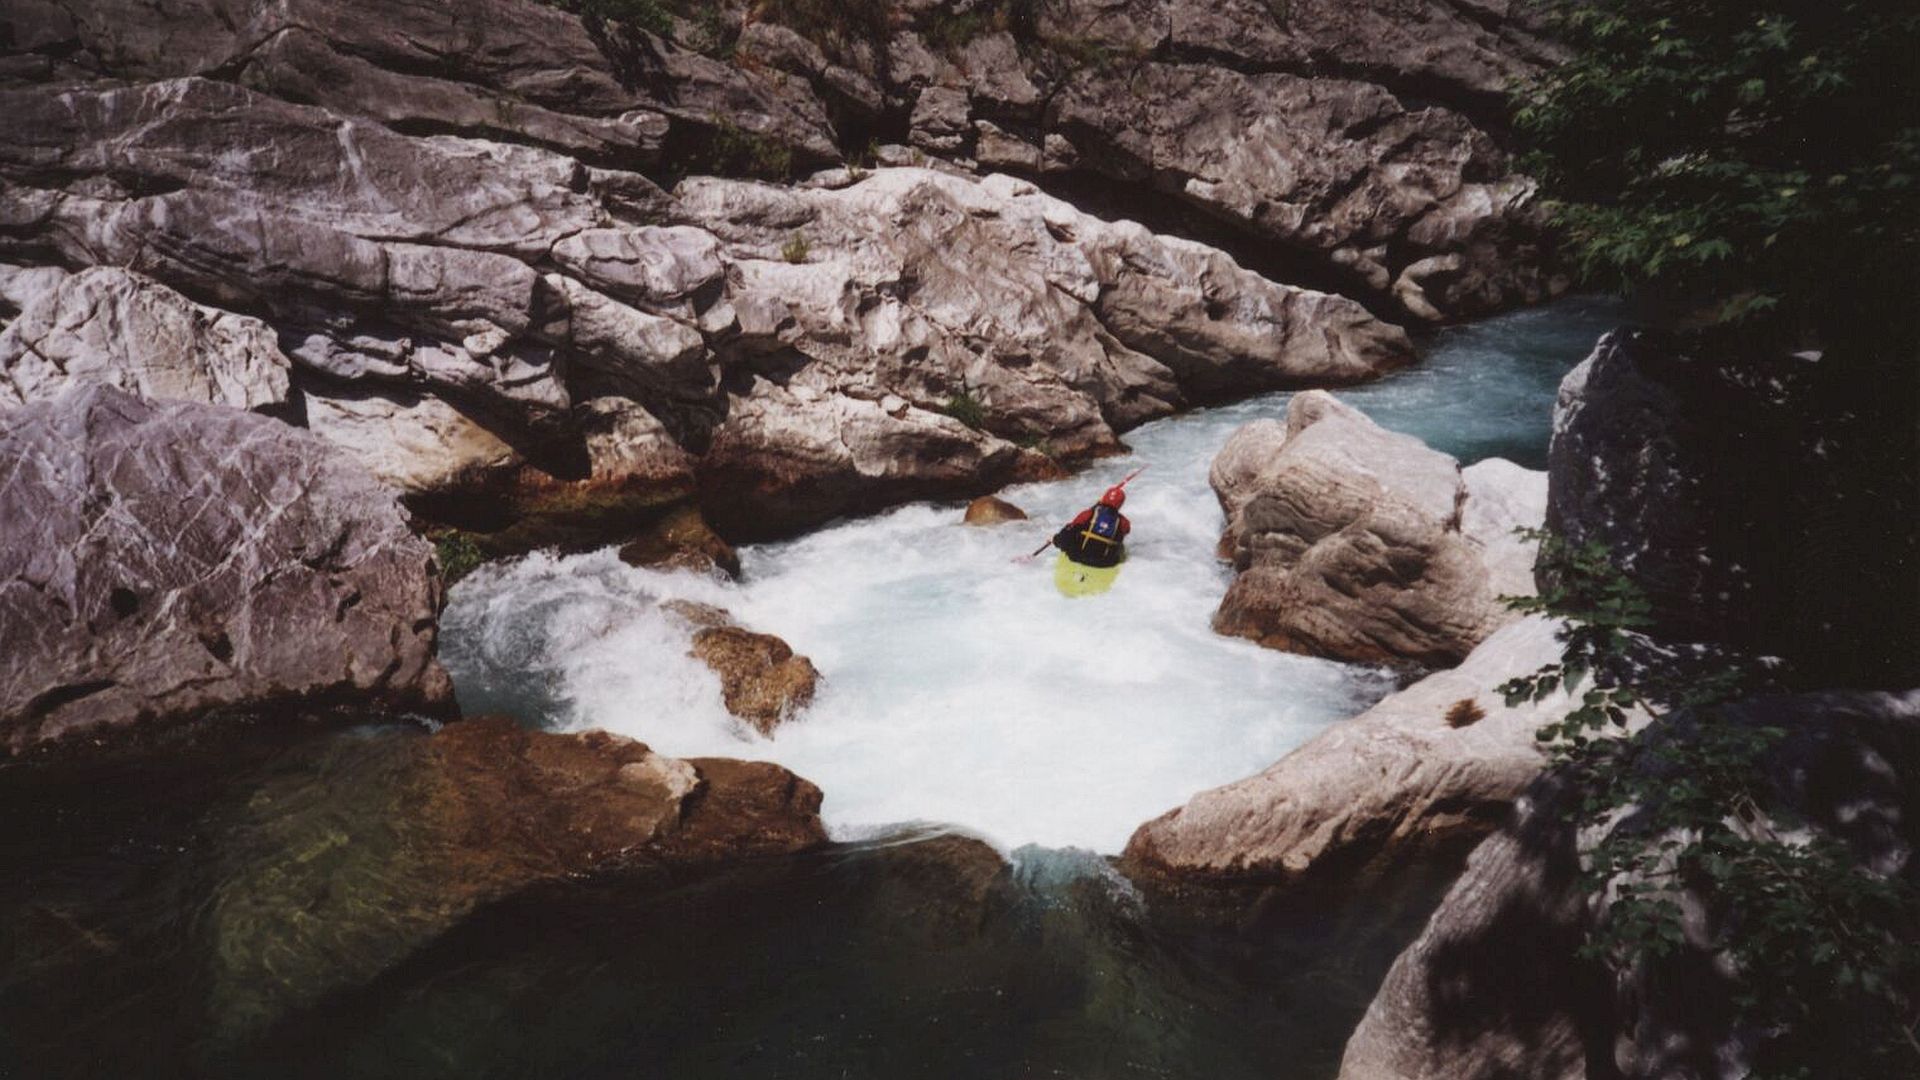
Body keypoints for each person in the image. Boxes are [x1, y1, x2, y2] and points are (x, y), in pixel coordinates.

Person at [1050, 484, 1131, 568]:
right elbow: (1127, 530)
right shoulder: (1124, 522)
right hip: (1105, 562)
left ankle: (1056, 540)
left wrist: (1056, 539)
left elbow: (1070, 529)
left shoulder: (1088, 513)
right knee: (1120, 543)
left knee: (1069, 529)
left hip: (1077, 556)